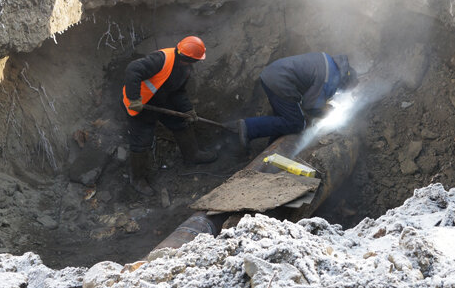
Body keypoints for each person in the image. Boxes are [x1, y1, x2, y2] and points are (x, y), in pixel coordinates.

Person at [122, 36, 216, 195]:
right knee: (142, 140)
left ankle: (192, 155)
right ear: (188, 58)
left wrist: (187, 110)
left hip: (162, 100)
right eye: (196, 60)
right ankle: (137, 179)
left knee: (181, 122)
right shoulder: (161, 59)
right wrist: (134, 99)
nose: (197, 62)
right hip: (141, 104)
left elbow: (178, 91)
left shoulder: (185, 68)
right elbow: (133, 69)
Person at [233, 53, 355, 150]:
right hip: (281, 82)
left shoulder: (329, 62)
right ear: (344, 81)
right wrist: (325, 111)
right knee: (295, 123)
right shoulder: (330, 78)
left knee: (283, 118)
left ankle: (271, 148)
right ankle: (248, 128)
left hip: (273, 75)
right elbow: (310, 105)